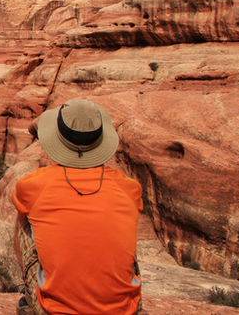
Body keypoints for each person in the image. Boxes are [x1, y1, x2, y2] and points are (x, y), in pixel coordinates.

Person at [13, 99, 143, 315]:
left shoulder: (33, 186)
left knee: (23, 223)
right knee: (114, 226)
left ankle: (31, 294)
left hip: (55, 311)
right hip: (124, 310)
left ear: (57, 138)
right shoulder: (129, 188)